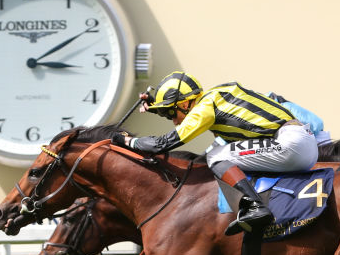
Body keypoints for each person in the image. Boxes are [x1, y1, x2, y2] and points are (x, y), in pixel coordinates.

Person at [115, 72, 318, 235]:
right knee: (226, 153)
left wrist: (127, 140)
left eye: (171, 114)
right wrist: (158, 107)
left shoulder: (205, 108)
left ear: (186, 104)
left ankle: (257, 207)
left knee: (216, 155)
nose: (175, 121)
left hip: (292, 143)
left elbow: (163, 144)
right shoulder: (217, 95)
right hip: (300, 142)